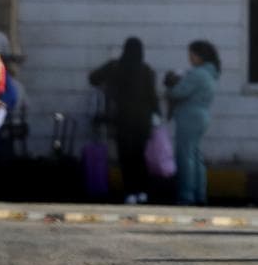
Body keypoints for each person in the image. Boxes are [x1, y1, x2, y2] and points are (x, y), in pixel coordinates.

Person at [89, 37, 158, 204]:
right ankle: (143, 191)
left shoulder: (115, 66)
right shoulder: (146, 70)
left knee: (125, 157)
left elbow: (93, 78)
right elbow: (152, 96)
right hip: (142, 120)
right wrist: (157, 115)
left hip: (122, 118)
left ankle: (130, 192)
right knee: (139, 156)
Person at [164, 40, 219, 205]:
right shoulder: (210, 73)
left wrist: (170, 85)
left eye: (192, 54)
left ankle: (186, 195)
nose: (190, 58)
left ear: (199, 55)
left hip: (190, 117)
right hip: (202, 115)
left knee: (185, 156)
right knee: (195, 156)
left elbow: (178, 93)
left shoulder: (197, 74)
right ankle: (199, 194)